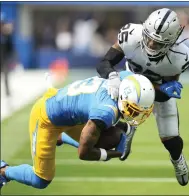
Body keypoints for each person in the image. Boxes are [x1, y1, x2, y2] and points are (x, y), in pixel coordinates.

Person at [0, 71, 155, 190]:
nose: (137, 114)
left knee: (105, 139)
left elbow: (139, 84)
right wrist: (114, 154)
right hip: (46, 118)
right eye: (134, 110)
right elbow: (84, 153)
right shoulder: (105, 111)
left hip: (68, 109)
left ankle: (60, 137)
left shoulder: (126, 79)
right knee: (41, 179)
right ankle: (3, 170)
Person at [96, 8, 189, 186]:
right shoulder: (131, 35)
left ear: (172, 42)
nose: (151, 45)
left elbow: (164, 96)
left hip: (156, 90)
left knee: (170, 138)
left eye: (158, 43)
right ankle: (129, 128)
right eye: (149, 38)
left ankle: (177, 159)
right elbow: (104, 62)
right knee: (109, 123)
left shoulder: (181, 57)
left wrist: (165, 89)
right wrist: (112, 76)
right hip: (130, 84)